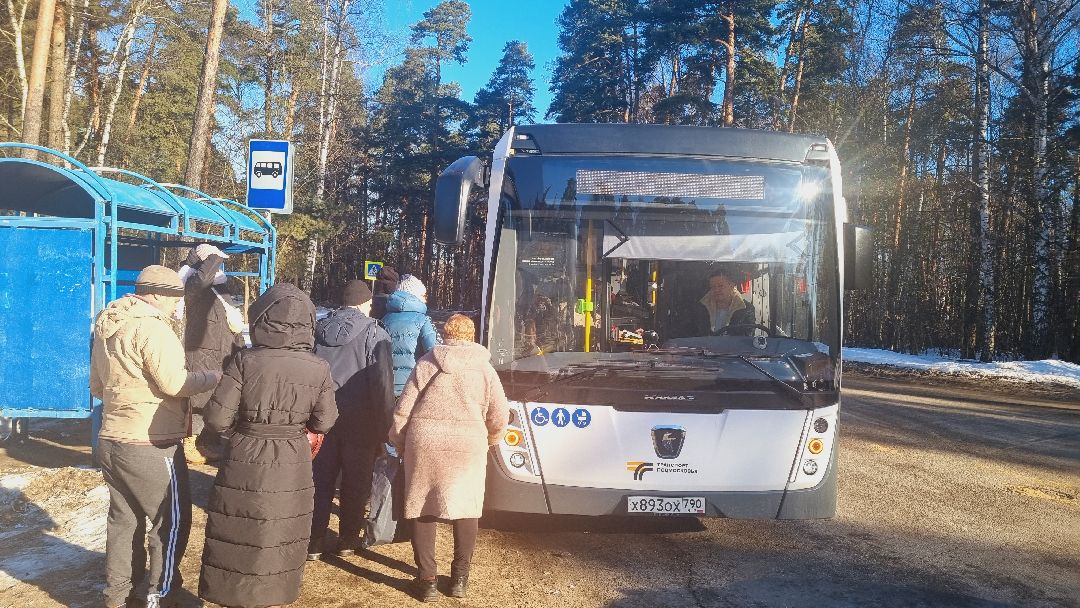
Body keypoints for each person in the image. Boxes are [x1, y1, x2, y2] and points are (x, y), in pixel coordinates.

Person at [90, 265, 222, 608]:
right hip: (151, 443)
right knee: (172, 520)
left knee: (124, 520)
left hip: (112, 439)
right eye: (175, 300)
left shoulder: (108, 323)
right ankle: (161, 594)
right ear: (157, 295)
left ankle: (117, 596)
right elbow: (176, 384)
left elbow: (97, 387)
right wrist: (211, 377)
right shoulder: (153, 329)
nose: (177, 307)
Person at [198, 284, 338, 608]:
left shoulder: (245, 361)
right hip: (292, 459)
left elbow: (217, 418)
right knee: (279, 536)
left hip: (244, 456)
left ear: (260, 318)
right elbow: (325, 421)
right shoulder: (318, 367)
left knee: (239, 531)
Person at [389, 314, 509, 602]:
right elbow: (499, 414)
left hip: (425, 441)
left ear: (444, 334)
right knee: (467, 507)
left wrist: (399, 441)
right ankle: (459, 579)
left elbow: (404, 408)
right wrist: (491, 440)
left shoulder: (427, 362)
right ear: (471, 336)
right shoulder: (485, 369)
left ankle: (427, 579)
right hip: (468, 443)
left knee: (422, 504)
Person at [307, 280, 395, 560]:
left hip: (322, 418)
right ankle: (347, 539)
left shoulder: (318, 330)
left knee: (320, 481)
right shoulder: (375, 333)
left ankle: (314, 540)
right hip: (361, 421)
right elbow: (381, 385)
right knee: (356, 483)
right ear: (364, 303)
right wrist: (385, 429)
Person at [178, 243, 244, 464]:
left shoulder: (218, 286)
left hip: (223, 352)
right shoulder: (193, 284)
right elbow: (202, 278)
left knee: (217, 400)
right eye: (215, 262)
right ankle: (192, 444)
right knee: (199, 400)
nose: (219, 267)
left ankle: (207, 443)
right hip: (202, 352)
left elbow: (229, 319)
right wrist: (213, 257)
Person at [381, 274, 439, 396]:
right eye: (423, 295)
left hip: (386, 384)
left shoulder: (385, 319)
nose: (425, 299)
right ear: (415, 296)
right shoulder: (423, 320)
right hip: (412, 385)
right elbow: (435, 353)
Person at [698, 269, 748, 334]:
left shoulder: (746, 309)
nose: (716, 290)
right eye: (713, 287)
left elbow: (747, 338)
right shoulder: (701, 308)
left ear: (731, 286)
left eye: (720, 286)